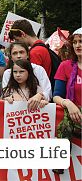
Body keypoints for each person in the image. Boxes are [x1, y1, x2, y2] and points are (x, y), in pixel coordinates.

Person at [52, 28, 82, 175]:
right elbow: (56, 95)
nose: (77, 45)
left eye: (81, 42)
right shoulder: (65, 66)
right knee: (65, 125)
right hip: (73, 114)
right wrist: (69, 103)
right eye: (75, 42)